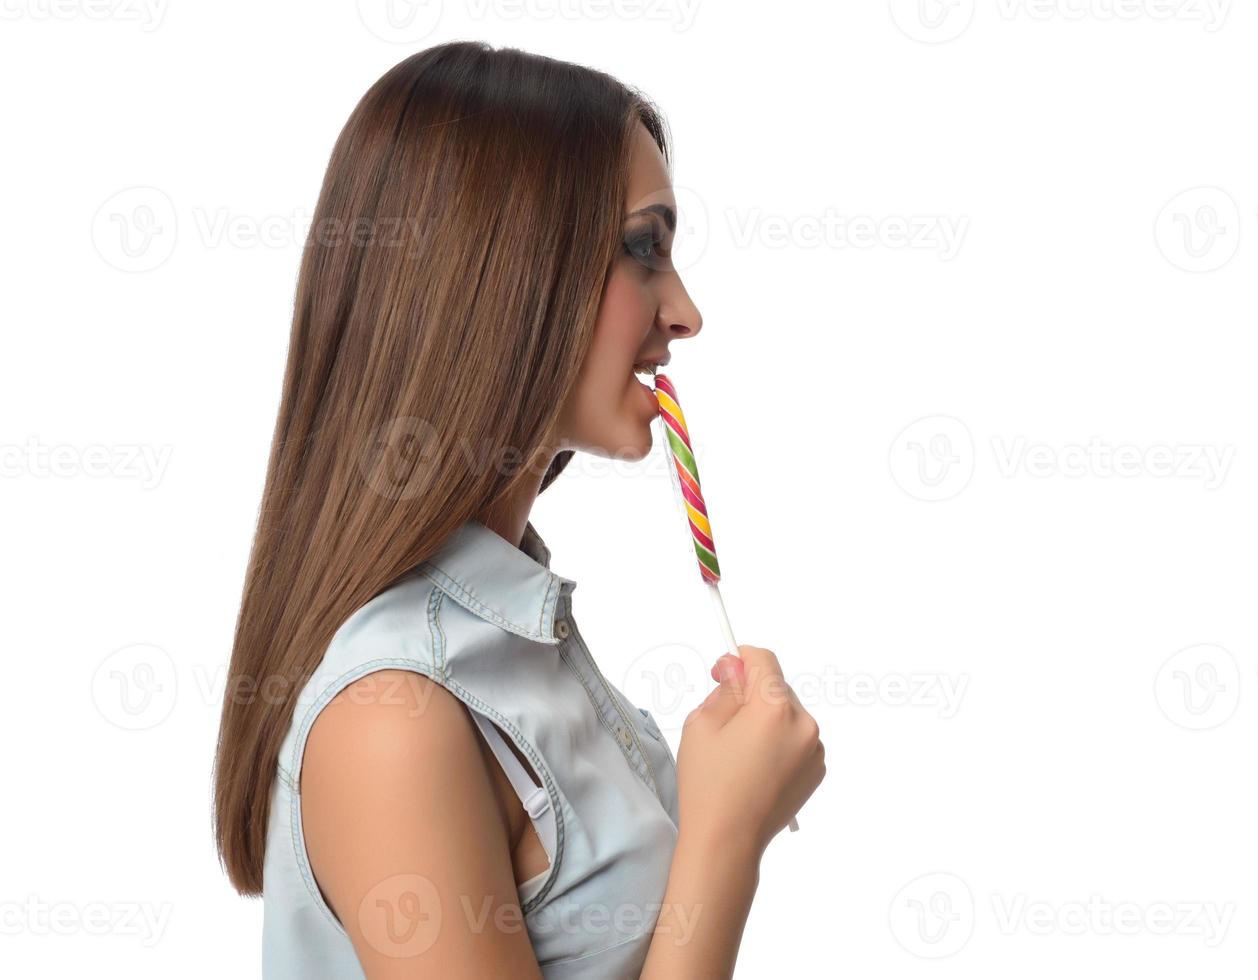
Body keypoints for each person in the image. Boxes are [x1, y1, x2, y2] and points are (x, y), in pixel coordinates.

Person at [210, 40, 825, 978]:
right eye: (644, 247)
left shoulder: (511, 643)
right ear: (504, 272)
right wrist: (726, 840)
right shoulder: (396, 717)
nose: (686, 311)